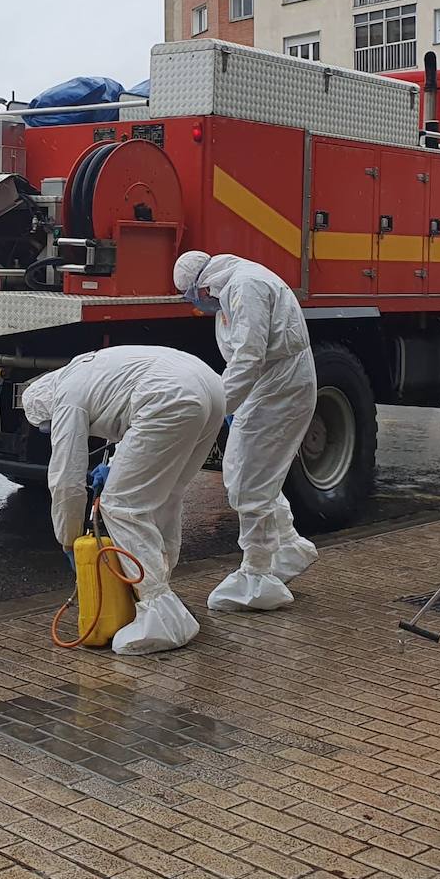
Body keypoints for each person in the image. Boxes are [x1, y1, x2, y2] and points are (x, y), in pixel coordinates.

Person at [20, 345, 226, 655]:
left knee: (121, 505)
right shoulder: (86, 370)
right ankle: (161, 597)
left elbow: (66, 481)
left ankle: (160, 613)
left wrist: (68, 539)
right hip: (209, 386)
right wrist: (115, 466)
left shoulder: (64, 398)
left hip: (169, 395)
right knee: (165, 496)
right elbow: (129, 415)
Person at [173, 251, 317, 612]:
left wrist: (218, 406)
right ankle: (287, 546)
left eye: (193, 297)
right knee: (250, 474)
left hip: (277, 387)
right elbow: (244, 355)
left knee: (248, 479)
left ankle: (257, 575)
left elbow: (249, 356)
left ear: (202, 286)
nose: (196, 305)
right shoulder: (232, 287)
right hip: (267, 387)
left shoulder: (244, 286)